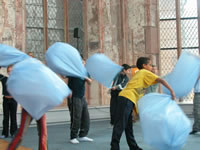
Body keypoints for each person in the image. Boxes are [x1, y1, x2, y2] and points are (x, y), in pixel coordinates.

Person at [110, 57, 176, 150]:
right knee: (120, 124)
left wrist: (134, 111)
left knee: (128, 126)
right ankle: (114, 147)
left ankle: (133, 147)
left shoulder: (140, 74)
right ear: (144, 66)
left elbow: (137, 94)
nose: (152, 67)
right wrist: (172, 92)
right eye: (150, 65)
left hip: (127, 98)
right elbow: (161, 80)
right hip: (126, 97)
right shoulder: (145, 72)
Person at [7, 53, 48, 150]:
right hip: (29, 106)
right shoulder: (22, 74)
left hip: (40, 105)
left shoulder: (39, 73)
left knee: (43, 133)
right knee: (21, 133)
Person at [67, 57, 93, 144]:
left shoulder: (85, 72)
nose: (83, 63)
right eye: (81, 62)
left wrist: (87, 78)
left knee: (86, 117)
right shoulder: (73, 71)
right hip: (75, 96)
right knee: (76, 117)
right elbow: (65, 77)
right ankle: (73, 136)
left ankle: (83, 135)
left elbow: (90, 82)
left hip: (82, 97)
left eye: (83, 62)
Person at [0, 65, 18, 139]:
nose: (10, 72)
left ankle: (14, 133)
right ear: (7, 71)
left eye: (12, 71)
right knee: (6, 117)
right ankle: (5, 133)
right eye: (9, 71)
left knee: (13, 117)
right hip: (6, 100)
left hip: (13, 100)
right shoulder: (4, 78)